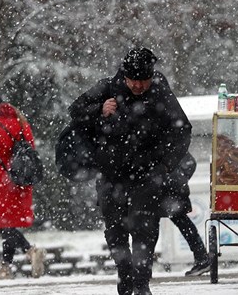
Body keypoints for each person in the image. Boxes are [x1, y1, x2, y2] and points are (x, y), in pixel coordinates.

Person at [69, 47, 191, 295]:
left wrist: (165, 165)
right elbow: (75, 112)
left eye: (142, 80)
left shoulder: (160, 93)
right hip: (111, 175)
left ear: (151, 75)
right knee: (115, 230)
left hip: (147, 175)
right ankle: (124, 276)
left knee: (145, 229)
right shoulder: (106, 89)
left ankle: (142, 283)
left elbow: (181, 130)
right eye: (132, 79)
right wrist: (99, 110)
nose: (137, 85)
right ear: (123, 76)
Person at [0, 93, 46, 280]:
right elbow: (30, 147)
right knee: (8, 225)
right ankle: (6, 267)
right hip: (20, 179)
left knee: (4, 225)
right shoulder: (21, 121)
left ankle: (29, 251)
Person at [160, 152, 210, 277]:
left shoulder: (169, 142)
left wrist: (176, 178)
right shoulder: (168, 142)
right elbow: (190, 162)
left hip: (169, 191)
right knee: (182, 223)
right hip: (167, 189)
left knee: (181, 222)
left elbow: (190, 162)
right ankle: (202, 258)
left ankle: (202, 258)